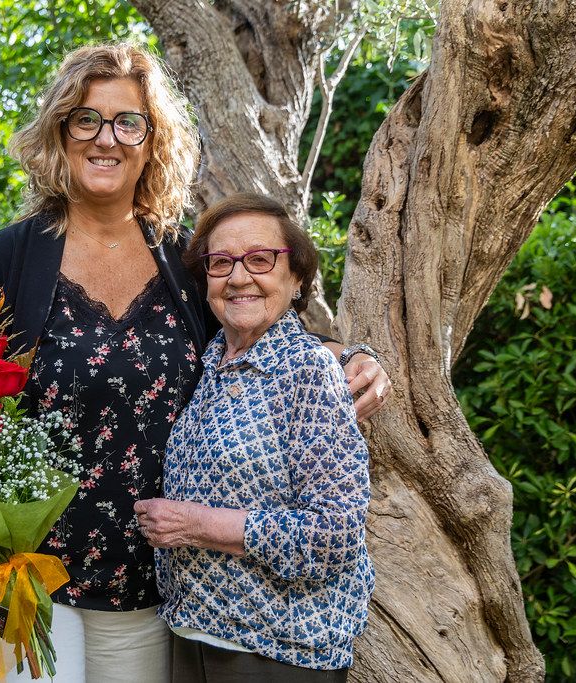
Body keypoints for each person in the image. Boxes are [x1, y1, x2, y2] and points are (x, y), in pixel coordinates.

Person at [0, 44, 387, 683]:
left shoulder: (183, 260)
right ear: (60, 133)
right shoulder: (6, 260)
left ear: (152, 141)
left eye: (127, 122)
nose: (105, 138)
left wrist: (346, 355)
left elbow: (253, 327)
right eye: (85, 119)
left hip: (142, 571)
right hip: (16, 568)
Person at [136, 193, 374, 683]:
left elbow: (335, 537)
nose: (239, 277)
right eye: (221, 262)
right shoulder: (211, 363)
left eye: (261, 259)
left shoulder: (308, 370)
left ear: (298, 278)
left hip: (277, 652)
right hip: (195, 635)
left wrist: (198, 524)